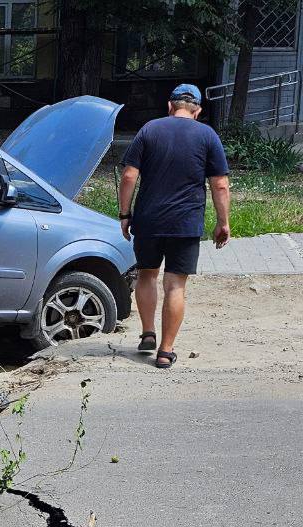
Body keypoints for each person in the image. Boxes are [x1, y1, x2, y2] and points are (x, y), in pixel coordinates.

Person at [118, 83, 230, 369]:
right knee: (175, 285)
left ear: (169, 106)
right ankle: (166, 352)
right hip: (186, 222)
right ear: (198, 110)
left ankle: (147, 333)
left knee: (146, 276)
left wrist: (124, 214)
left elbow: (129, 176)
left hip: (149, 220)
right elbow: (219, 184)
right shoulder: (207, 135)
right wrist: (223, 222)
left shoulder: (150, 130)